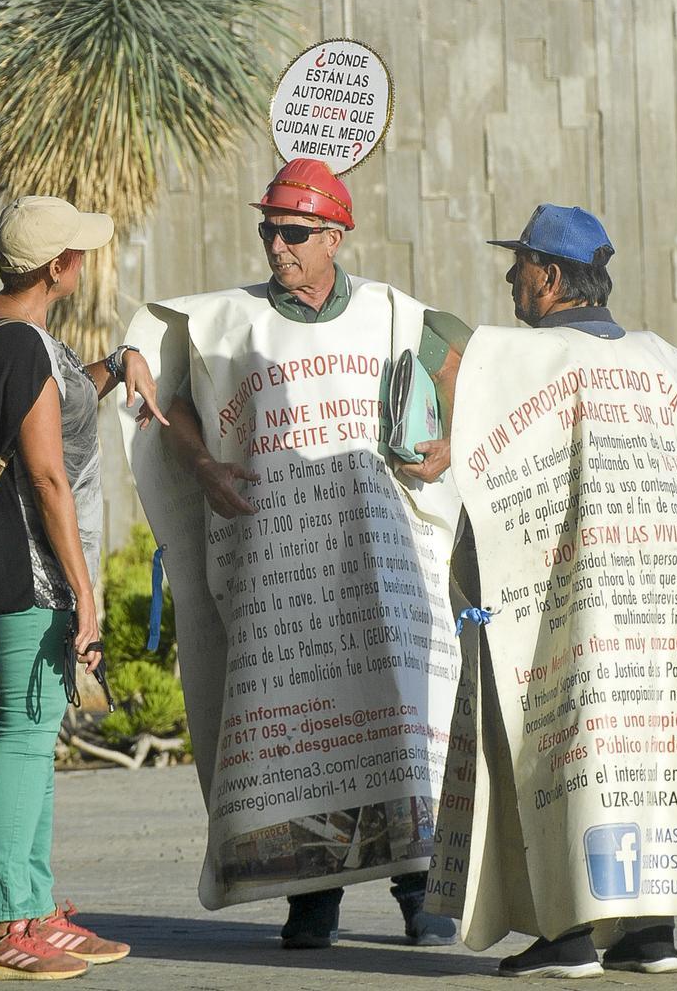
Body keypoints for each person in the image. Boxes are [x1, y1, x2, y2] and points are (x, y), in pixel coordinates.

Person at [119, 158, 470, 951]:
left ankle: (420, 888)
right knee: (295, 724)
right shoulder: (228, 321)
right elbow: (169, 392)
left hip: (380, 567)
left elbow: (467, 366)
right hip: (278, 573)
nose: (277, 245)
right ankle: (309, 897)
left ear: (336, 236)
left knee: (399, 718)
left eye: (294, 231)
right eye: (268, 229)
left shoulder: (392, 313)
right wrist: (204, 464)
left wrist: (446, 447)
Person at [428, 204, 677, 978]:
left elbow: (488, 458)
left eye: (520, 266)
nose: (511, 279)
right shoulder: (662, 358)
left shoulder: (527, 359)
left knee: (563, 757)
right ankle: (648, 936)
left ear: (548, 276)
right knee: (645, 759)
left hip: (566, 611)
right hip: (656, 611)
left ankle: (569, 936)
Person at [0, 195, 166, 983]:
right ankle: (6, 928)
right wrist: (86, 592)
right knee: (23, 733)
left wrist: (119, 365)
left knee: (36, 735)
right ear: (58, 267)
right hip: (30, 569)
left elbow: (61, 404)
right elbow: (46, 476)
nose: (85, 260)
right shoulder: (20, 349)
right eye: (78, 251)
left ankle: (34, 911)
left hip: (19, 564)